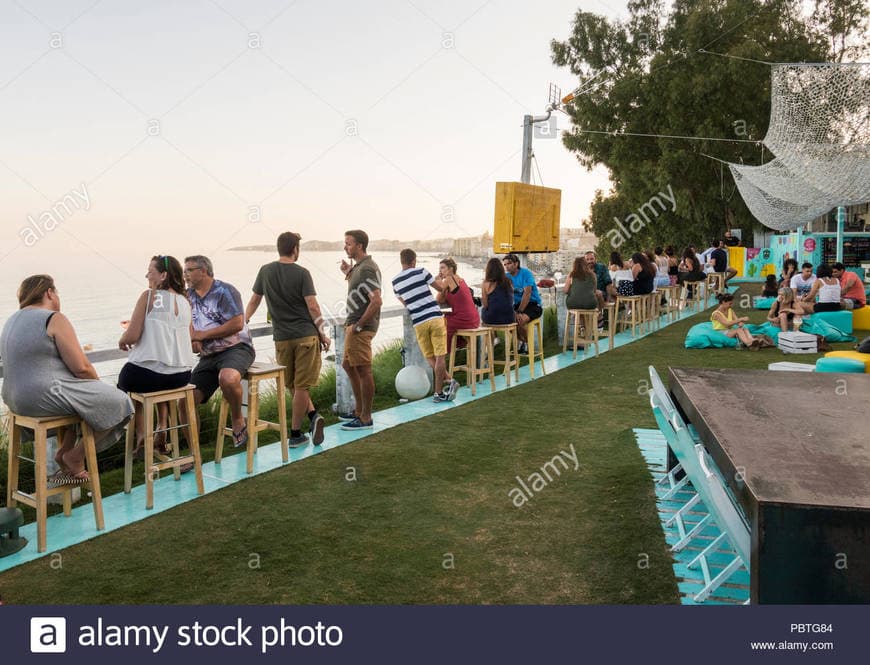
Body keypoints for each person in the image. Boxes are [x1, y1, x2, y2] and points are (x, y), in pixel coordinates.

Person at [1, 275, 133, 484]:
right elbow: (81, 368)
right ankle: (76, 456)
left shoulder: (11, 321)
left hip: (15, 401)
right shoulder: (53, 318)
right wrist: (97, 385)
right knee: (120, 402)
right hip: (43, 397)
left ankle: (63, 451)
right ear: (49, 293)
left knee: (80, 403)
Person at [245, 232, 331, 447]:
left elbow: (255, 300)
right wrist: (322, 332)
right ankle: (295, 434)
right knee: (300, 386)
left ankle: (313, 417)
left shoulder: (265, 271)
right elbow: (313, 306)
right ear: (295, 249)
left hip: (282, 338)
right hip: (305, 336)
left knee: (293, 385)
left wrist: (243, 321)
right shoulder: (302, 273)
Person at [117, 255, 196, 458]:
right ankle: (161, 427)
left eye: (150, 271)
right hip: (181, 376)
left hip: (150, 377)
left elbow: (132, 335)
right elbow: (187, 335)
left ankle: (143, 436)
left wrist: (123, 339)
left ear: (163, 275)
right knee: (157, 369)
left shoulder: (149, 296)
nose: (146, 275)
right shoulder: (186, 301)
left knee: (130, 377)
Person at [185, 255, 255, 447]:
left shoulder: (225, 291)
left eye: (189, 270)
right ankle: (193, 452)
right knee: (185, 400)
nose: (185, 275)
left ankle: (238, 419)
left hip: (237, 348)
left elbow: (237, 323)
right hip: (209, 355)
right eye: (184, 271)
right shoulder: (187, 296)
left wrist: (202, 335)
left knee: (228, 378)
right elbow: (188, 322)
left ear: (203, 271)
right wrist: (193, 337)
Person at [392, 249, 459, 403]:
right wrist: (442, 278)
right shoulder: (422, 271)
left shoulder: (395, 282)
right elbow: (441, 288)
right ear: (414, 261)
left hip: (419, 322)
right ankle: (439, 392)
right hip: (435, 318)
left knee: (430, 357)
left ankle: (449, 382)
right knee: (440, 357)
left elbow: (406, 303)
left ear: (401, 261)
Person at [339, 229, 382, 430]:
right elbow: (361, 290)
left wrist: (359, 325)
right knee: (348, 366)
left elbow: (376, 300)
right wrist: (349, 272)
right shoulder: (360, 267)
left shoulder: (367, 268)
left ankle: (365, 417)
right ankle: (358, 411)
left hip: (360, 327)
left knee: (364, 370)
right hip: (353, 324)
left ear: (360, 246)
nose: (345, 246)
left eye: (348, 243)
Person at [434, 257, 479, 351]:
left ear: (450, 269)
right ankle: (454, 349)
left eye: (442, 268)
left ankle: (443, 352)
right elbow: (441, 299)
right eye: (439, 269)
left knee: (440, 324)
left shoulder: (449, 279)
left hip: (463, 319)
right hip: (474, 318)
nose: (440, 271)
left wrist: (438, 280)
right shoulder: (460, 279)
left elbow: (437, 298)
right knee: (444, 320)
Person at [502, 253, 543, 354]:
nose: (507, 266)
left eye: (509, 264)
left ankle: (528, 344)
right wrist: (513, 310)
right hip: (516, 306)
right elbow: (505, 296)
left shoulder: (526, 273)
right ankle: (524, 342)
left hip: (532, 304)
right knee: (508, 322)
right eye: (505, 264)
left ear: (516, 264)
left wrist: (519, 311)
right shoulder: (506, 277)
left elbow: (527, 293)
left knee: (519, 321)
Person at [481, 258, 515, 326]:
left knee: (484, 310)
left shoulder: (486, 283)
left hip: (491, 319)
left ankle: (493, 336)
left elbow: (485, 305)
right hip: (509, 318)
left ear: (488, 270)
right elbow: (511, 300)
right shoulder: (508, 281)